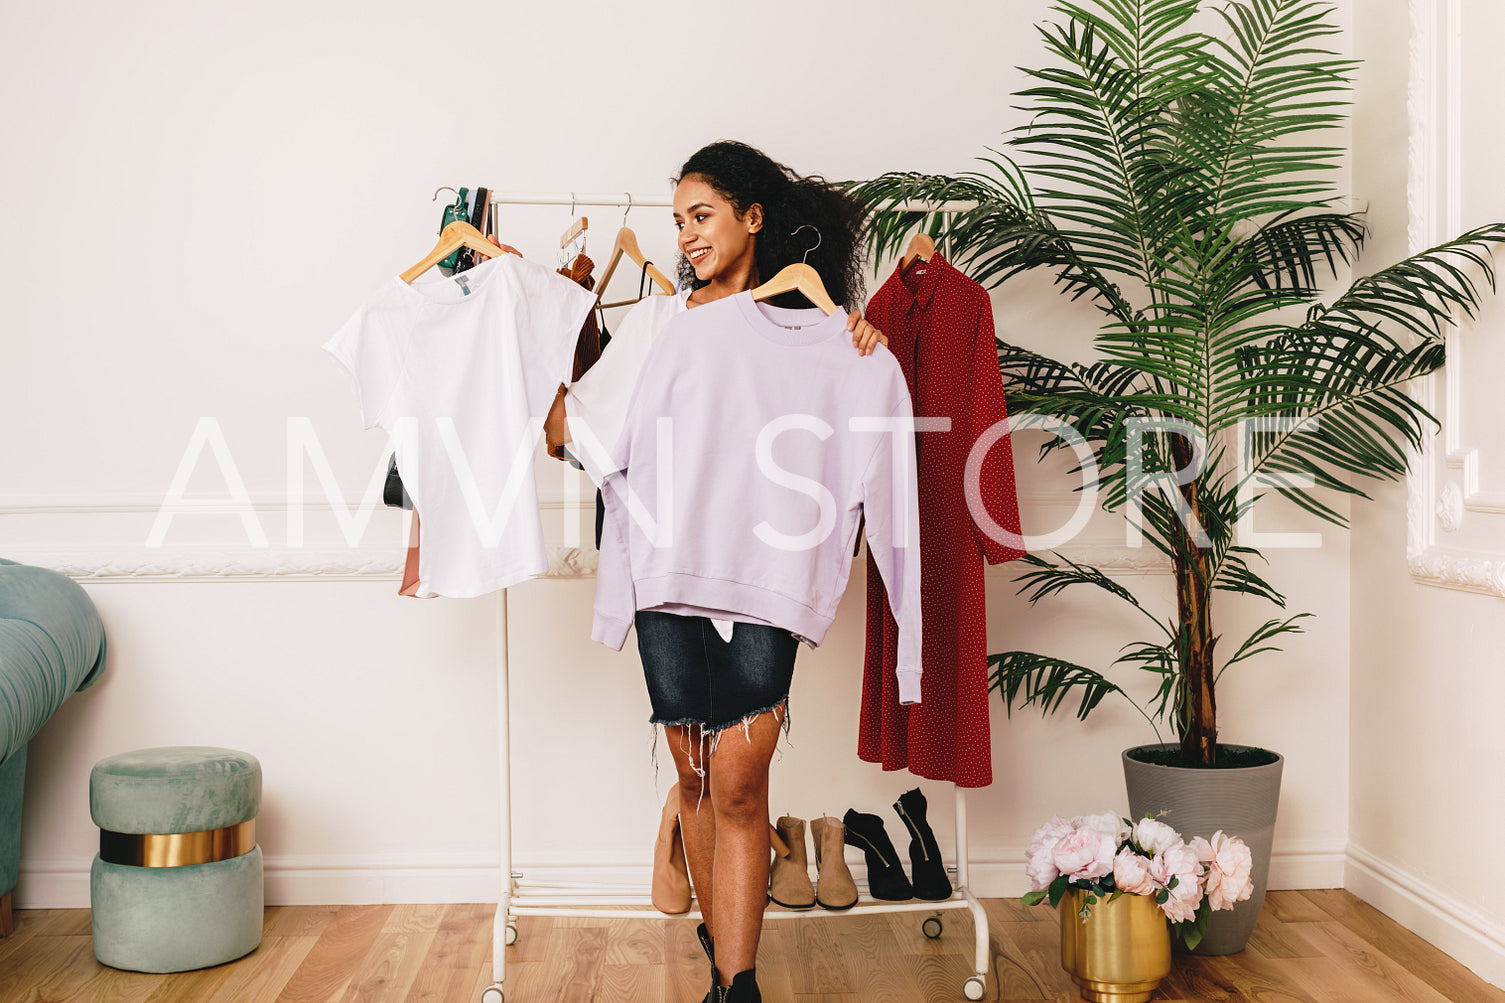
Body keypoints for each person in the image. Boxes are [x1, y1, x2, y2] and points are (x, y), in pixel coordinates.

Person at [545, 140, 884, 1003]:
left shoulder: (823, 332)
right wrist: (559, 372)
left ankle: (735, 973)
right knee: (696, 773)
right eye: (679, 224)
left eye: (701, 216)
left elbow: (863, 435)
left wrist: (863, 346)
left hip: (766, 576)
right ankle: (729, 976)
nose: (687, 237)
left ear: (752, 215)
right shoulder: (663, 324)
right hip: (666, 574)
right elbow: (569, 434)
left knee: (740, 778)